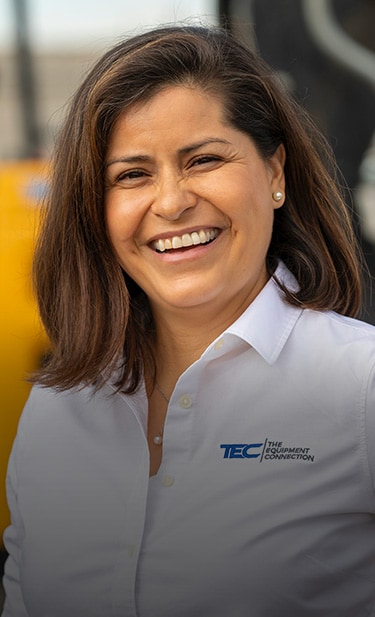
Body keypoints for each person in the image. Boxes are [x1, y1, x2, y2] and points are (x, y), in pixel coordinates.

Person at [2, 24, 375, 617]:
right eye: (131, 174)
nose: (171, 202)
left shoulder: (360, 385)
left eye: (202, 160)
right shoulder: (59, 407)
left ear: (275, 174)